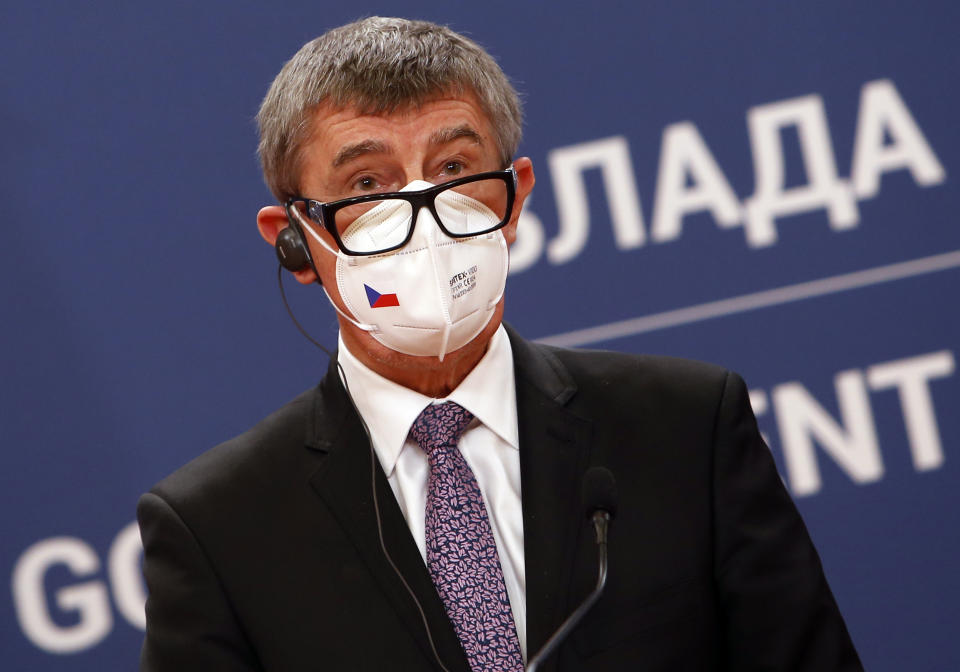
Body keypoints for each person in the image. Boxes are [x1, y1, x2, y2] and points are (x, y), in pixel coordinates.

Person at [137, 16, 863, 671]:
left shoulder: (687, 427)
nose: (421, 216)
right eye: (366, 182)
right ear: (295, 242)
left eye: (454, 169)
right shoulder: (217, 528)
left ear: (514, 197)